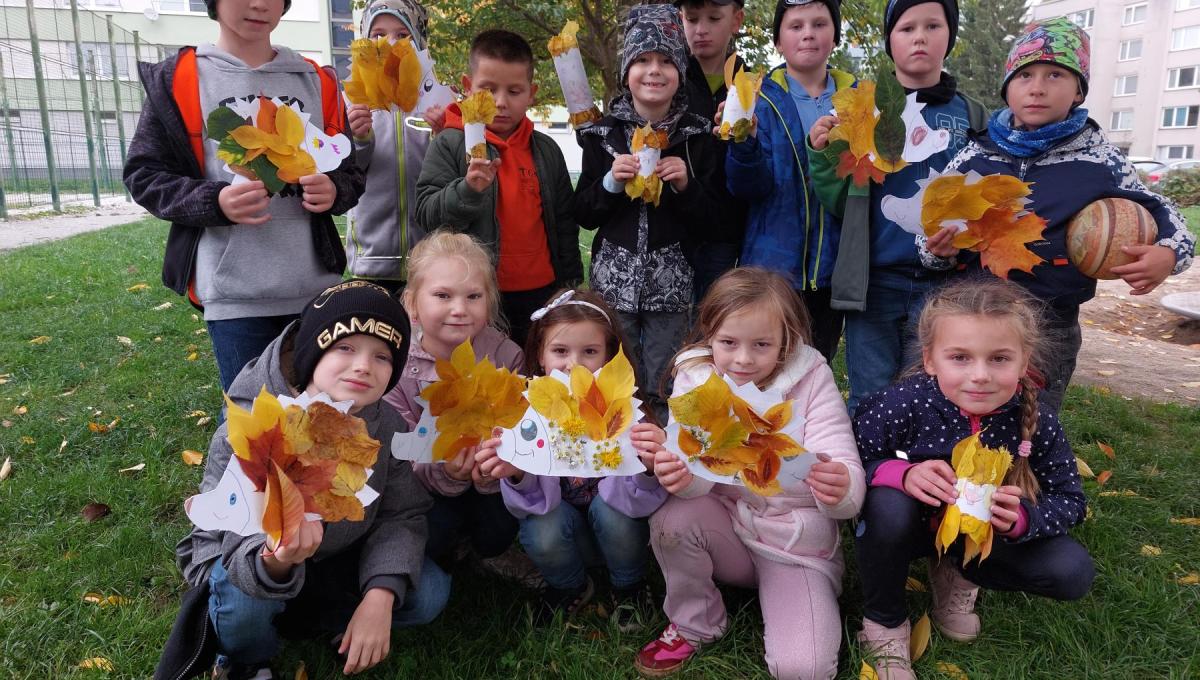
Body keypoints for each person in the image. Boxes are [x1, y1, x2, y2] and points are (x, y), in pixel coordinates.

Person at [173, 280, 446, 679]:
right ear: (311, 353)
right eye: (344, 347)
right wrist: (277, 561)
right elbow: (220, 535)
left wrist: (380, 595)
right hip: (247, 562)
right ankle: (247, 657)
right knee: (245, 608)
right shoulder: (252, 424)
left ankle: (337, 618)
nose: (363, 366)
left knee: (429, 593)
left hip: (336, 558)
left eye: (382, 356)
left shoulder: (383, 425)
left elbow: (402, 514)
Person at [922, 17, 1195, 411]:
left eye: (1055, 75)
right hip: (971, 319)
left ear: (1079, 91)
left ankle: (1027, 473)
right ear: (1007, 89)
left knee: (1035, 421)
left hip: (1051, 323)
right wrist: (937, 252)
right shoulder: (974, 157)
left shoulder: (1099, 160)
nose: (1037, 87)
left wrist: (1169, 254)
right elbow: (927, 235)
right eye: (1024, 75)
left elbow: (1167, 214)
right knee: (962, 416)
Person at [853, 277, 1095, 680]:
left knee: (1070, 571)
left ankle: (959, 573)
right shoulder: (902, 403)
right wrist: (901, 473)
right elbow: (849, 460)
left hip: (982, 535)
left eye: (999, 358)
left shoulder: (1038, 423)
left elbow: (1071, 499)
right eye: (960, 357)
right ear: (931, 359)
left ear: (1024, 360)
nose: (980, 375)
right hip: (911, 528)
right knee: (887, 503)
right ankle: (884, 622)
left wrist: (1022, 520)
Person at [124, 0, 364, 391]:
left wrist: (335, 190)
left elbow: (350, 172)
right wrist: (214, 202)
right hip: (234, 295)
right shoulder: (182, 78)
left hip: (314, 290)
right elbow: (144, 175)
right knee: (248, 416)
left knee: (317, 410)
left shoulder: (316, 81)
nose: (257, 4)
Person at [637, 268, 865, 679]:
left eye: (761, 345)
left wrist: (841, 487)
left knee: (804, 670)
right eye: (728, 343)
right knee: (670, 521)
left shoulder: (812, 379)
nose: (742, 359)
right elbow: (696, 473)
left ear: (786, 340)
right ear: (709, 335)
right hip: (727, 529)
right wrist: (680, 476)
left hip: (794, 545)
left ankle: (796, 599)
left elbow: (844, 471)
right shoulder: (696, 376)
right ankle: (696, 622)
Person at [807, 0, 988, 411]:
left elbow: (985, 203)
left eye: (933, 26)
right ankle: (873, 473)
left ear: (950, 35)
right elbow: (837, 201)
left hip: (947, 284)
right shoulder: (863, 111)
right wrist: (822, 154)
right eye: (906, 29)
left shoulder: (973, 116)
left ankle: (919, 470)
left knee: (934, 393)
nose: (920, 37)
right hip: (875, 281)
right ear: (890, 40)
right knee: (871, 395)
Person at [467, 288, 669, 630]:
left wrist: (650, 468)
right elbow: (524, 508)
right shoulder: (525, 417)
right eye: (560, 351)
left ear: (608, 358)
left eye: (589, 351)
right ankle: (569, 586)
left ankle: (629, 586)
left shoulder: (626, 413)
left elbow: (643, 503)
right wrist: (518, 473)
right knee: (542, 526)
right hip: (564, 538)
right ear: (541, 357)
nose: (573, 364)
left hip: (618, 535)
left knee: (612, 512)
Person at [573, 3, 720, 423]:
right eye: (641, 60)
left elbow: (715, 220)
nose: (653, 71)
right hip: (611, 285)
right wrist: (610, 183)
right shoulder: (603, 134)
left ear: (680, 72)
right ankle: (614, 462)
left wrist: (686, 186)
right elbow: (583, 211)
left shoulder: (696, 135)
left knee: (665, 381)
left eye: (665, 62)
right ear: (626, 73)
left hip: (672, 289)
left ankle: (660, 464)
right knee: (615, 379)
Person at [415, 29, 582, 346]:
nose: (501, 102)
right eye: (488, 90)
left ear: (532, 93)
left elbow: (564, 223)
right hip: (476, 294)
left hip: (542, 293)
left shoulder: (545, 150)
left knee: (536, 374)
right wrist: (467, 191)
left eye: (515, 91)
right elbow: (426, 215)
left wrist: (569, 285)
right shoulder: (451, 143)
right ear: (467, 87)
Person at [382, 231, 527, 574]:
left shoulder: (507, 356)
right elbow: (400, 455)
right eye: (443, 296)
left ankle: (484, 548)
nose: (459, 309)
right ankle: (446, 549)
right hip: (422, 485)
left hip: (490, 481)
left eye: (473, 296)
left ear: (489, 301)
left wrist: (494, 468)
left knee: (499, 528)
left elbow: (519, 432)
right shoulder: (395, 367)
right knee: (433, 535)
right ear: (413, 303)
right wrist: (445, 473)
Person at [726, 0, 855, 363]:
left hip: (833, 267)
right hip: (773, 268)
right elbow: (747, 188)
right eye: (795, 26)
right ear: (779, 41)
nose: (808, 34)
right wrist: (744, 145)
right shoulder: (757, 96)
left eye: (819, 24)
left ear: (835, 36)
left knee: (818, 366)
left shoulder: (859, 98)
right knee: (768, 368)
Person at [345, 0, 433, 293]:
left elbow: (446, 168)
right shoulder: (351, 99)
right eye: (378, 34)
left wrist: (445, 133)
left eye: (402, 34)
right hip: (372, 260)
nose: (389, 43)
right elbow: (344, 173)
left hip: (430, 261)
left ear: (418, 41)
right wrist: (359, 139)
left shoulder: (434, 98)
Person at [675, 0, 749, 300]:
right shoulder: (669, 79)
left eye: (714, 18)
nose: (701, 30)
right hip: (674, 232)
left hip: (725, 235)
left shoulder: (749, 86)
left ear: (736, 19)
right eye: (692, 19)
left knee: (713, 322)